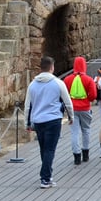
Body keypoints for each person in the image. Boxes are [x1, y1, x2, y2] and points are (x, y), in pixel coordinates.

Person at [24, 56, 74, 188]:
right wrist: (71, 116)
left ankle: (47, 174)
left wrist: (27, 123)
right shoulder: (58, 83)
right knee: (50, 149)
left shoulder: (32, 85)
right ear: (52, 67)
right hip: (53, 119)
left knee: (44, 148)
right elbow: (67, 102)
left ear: (41, 68)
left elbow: (28, 105)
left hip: (38, 120)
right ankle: (45, 178)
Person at [63, 56, 97, 164]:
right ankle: (85, 153)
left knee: (74, 132)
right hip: (85, 107)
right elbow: (93, 95)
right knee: (86, 130)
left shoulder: (67, 79)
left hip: (72, 109)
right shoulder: (88, 79)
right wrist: (88, 100)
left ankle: (76, 156)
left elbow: (64, 95)